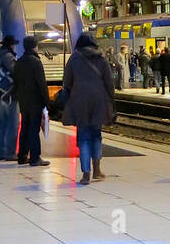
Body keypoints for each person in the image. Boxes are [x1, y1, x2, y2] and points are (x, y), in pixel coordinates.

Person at [62, 33, 115, 184]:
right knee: (96, 135)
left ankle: (86, 173)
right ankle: (97, 169)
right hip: (98, 100)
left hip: (80, 101)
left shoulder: (74, 59)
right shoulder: (102, 59)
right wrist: (111, 99)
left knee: (84, 137)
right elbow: (109, 83)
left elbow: (67, 82)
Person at [14, 36, 50, 167]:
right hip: (35, 101)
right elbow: (42, 84)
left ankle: (22, 156)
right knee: (34, 129)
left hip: (23, 101)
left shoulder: (19, 62)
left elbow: (16, 82)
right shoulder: (36, 62)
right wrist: (47, 102)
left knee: (25, 127)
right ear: (35, 46)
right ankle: (35, 157)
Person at [0, 34, 19, 162]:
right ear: (11, 45)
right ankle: (10, 152)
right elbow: (15, 72)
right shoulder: (8, 56)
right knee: (12, 124)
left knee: (2, 123)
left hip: (0, 93)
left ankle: (0, 152)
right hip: (10, 94)